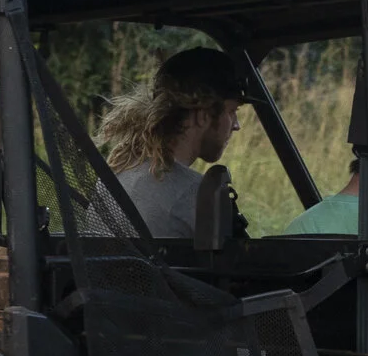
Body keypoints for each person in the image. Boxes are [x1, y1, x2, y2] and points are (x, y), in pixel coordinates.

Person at [94, 47, 251, 239]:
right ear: (202, 115)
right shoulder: (198, 195)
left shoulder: (114, 179)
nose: (237, 125)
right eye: (232, 111)